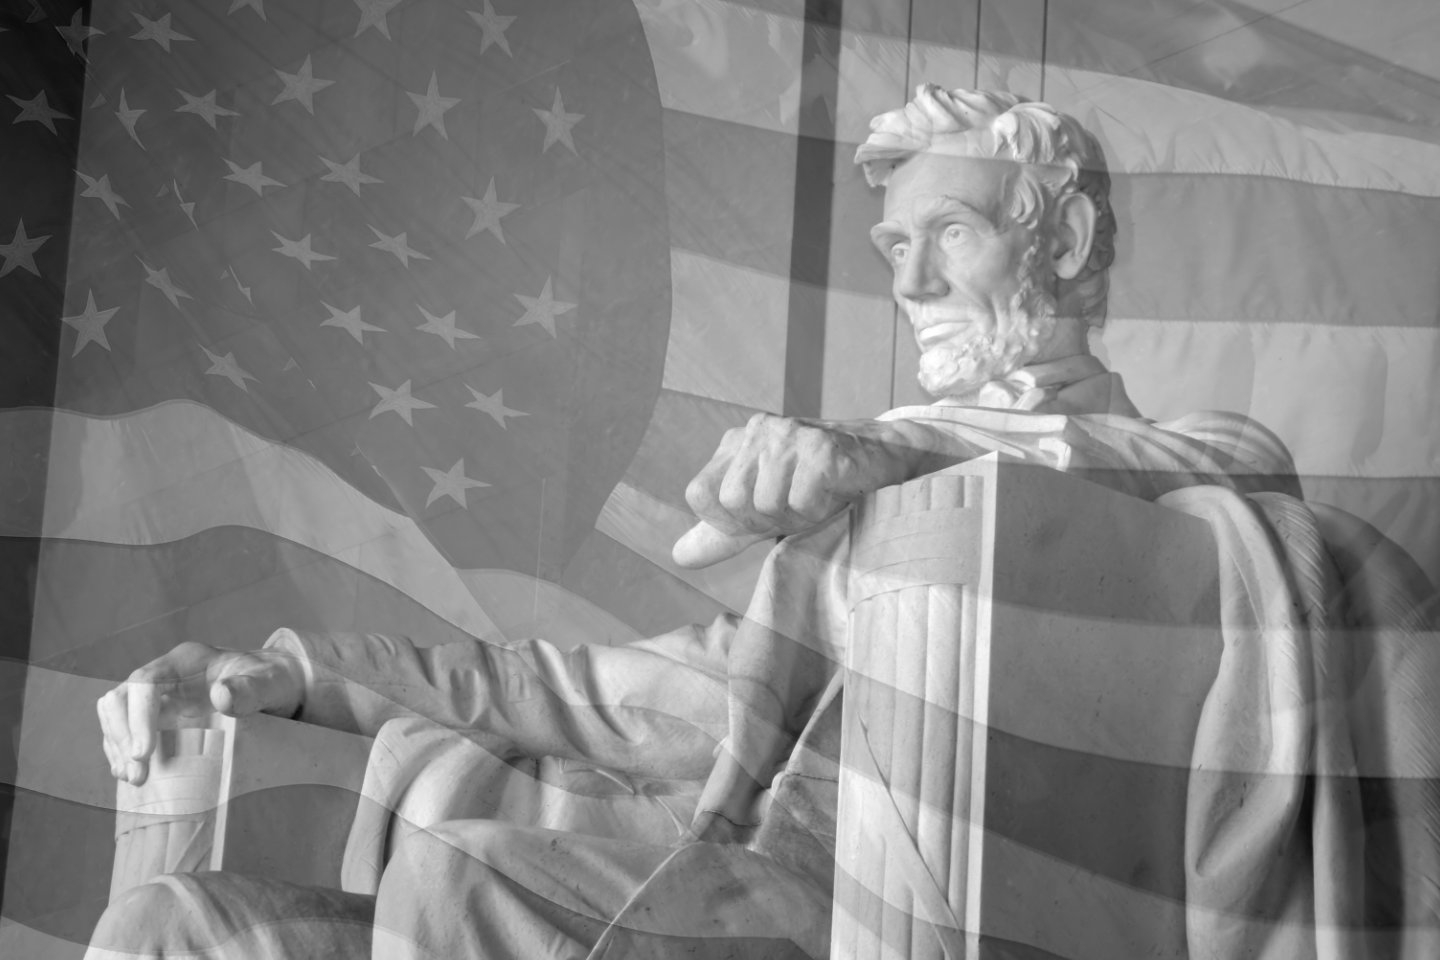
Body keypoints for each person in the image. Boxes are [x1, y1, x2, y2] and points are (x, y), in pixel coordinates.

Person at [88, 85, 1313, 960]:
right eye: (896, 244)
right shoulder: (857, 531)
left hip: (882, 905)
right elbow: (575, 690)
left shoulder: (1192, 473)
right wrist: (293, 674)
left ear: (1069, 241)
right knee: (176, 928)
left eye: (951, 232)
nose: (910, 282)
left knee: (461, 876)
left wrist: (897, 450)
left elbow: (1209, 471)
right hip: (707, 869)